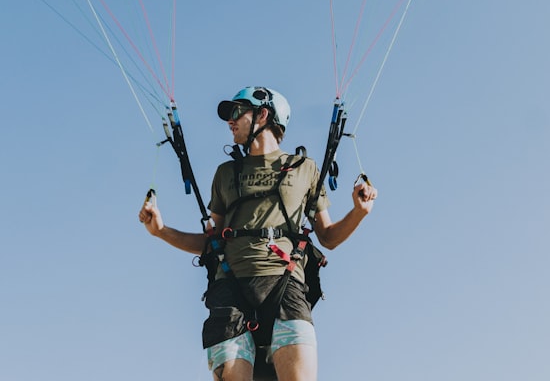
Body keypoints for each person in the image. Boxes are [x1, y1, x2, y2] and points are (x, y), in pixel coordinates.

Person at [138, 86, 378, 381]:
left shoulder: (305, 169)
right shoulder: (225, 174)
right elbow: (212, 242)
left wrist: (359, 212)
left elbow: (327, 236)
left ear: (263, 115)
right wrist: (161, 231)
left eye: (237, 112)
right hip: (230, 288)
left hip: (286, 284)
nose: (230, 121)